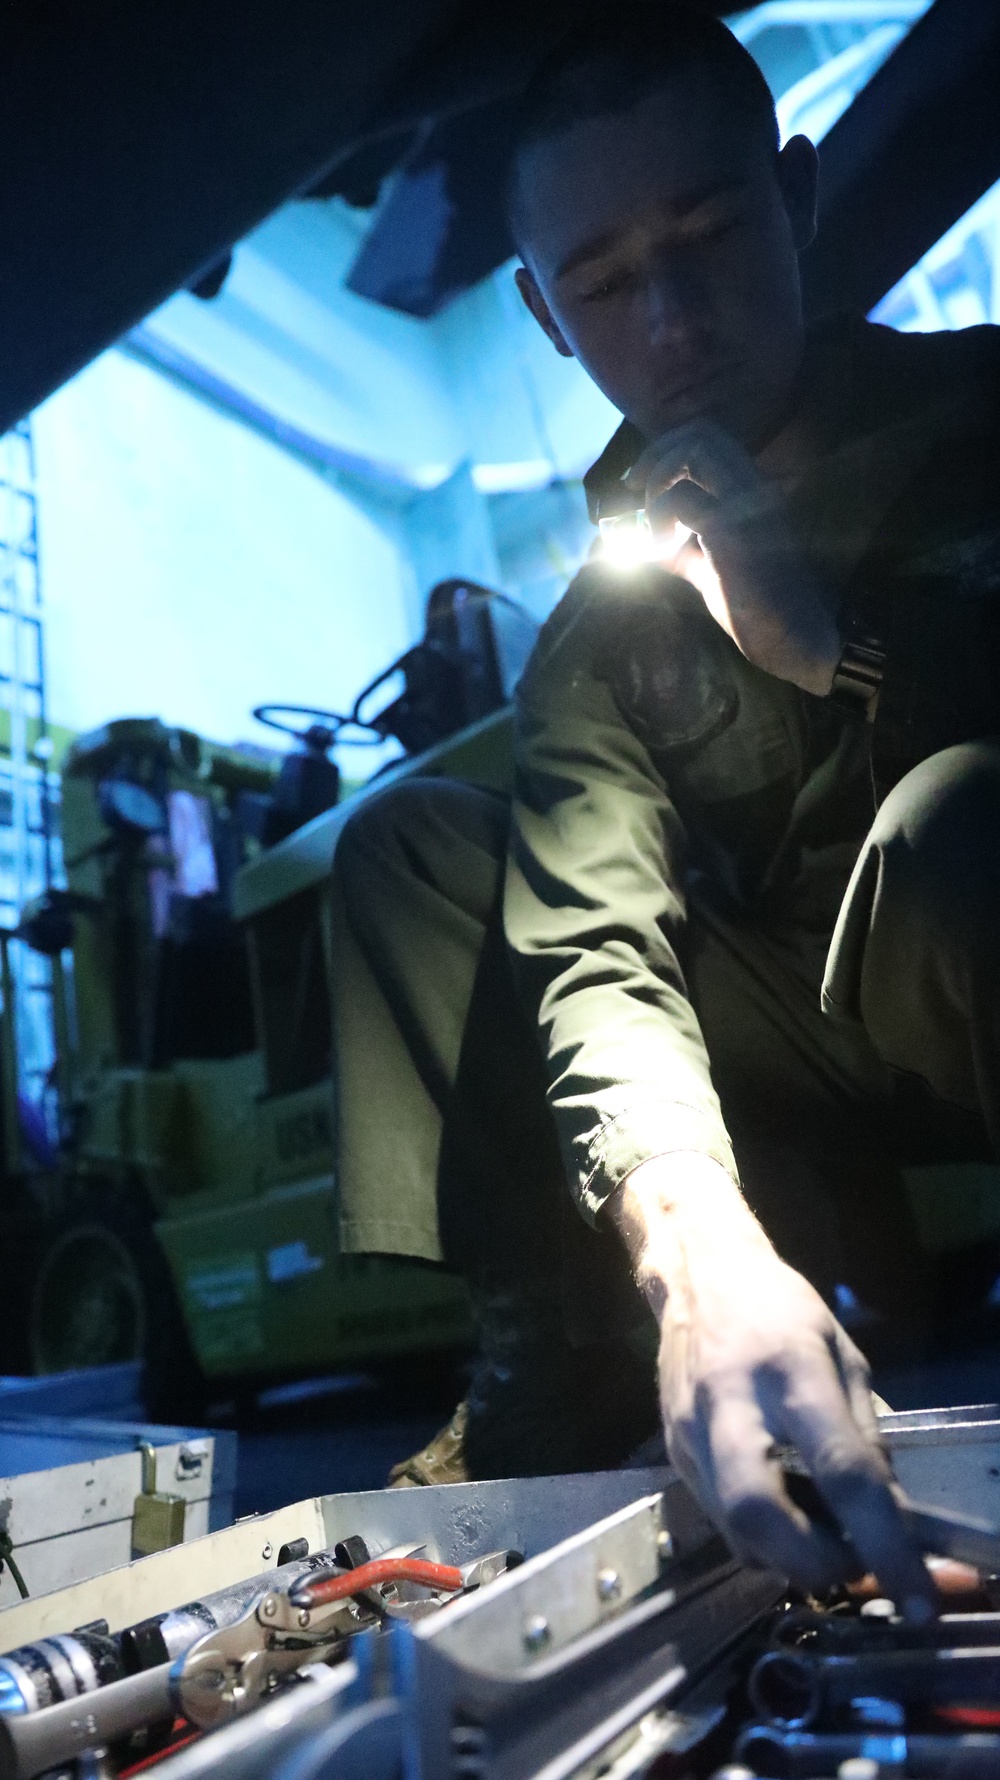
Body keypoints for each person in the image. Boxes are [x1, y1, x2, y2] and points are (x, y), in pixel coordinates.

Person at [331, 5, 1000, 1610]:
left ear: (799, 195)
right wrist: (693, 1240)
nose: (677, 319)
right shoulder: (597, 623)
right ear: (544, 318)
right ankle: (578, 1356)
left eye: (707, 235)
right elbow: (593, 940)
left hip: (960, 964)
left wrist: (835, 652)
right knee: (418, 847)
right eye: (610, 283)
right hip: (784, 1082)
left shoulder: (977, 419)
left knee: (963, 809)